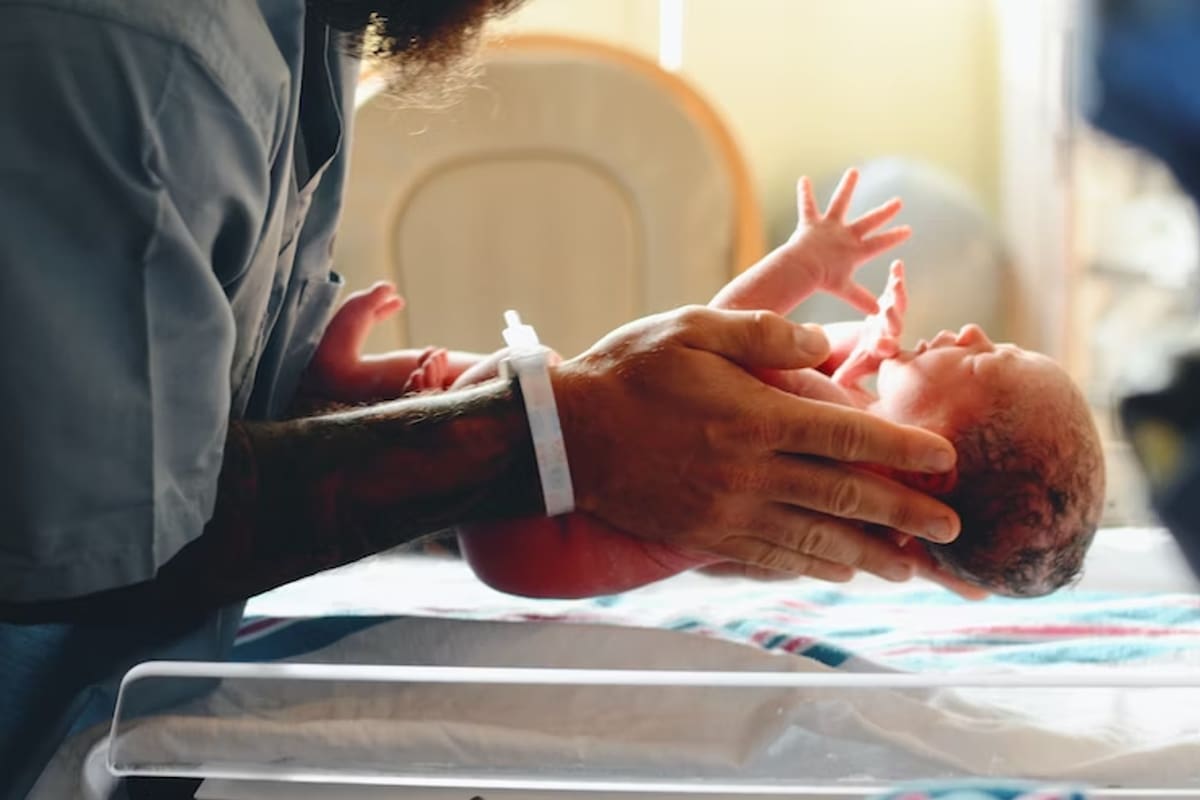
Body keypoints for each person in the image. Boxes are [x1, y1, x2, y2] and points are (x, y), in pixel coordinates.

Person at [0, 3, 964, 794]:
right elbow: (108, 536)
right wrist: (557, 430)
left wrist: (331, 402)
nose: (962, 337)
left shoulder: (304, 32)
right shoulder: (148, 57)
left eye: (989, 364)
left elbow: (177, 413)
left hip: (145, 699)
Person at [322, 170, 1105, 600]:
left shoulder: (830, 430)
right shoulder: (866, 502)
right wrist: (871, 356)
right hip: (541, 553)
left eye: (982, 360)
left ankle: (350, 383)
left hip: (545, 525)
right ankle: (358, 388)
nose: (968, 332)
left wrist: (808, 263)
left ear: (932, 463)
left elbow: (705, 348)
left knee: (505, 377)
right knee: (506, 383)